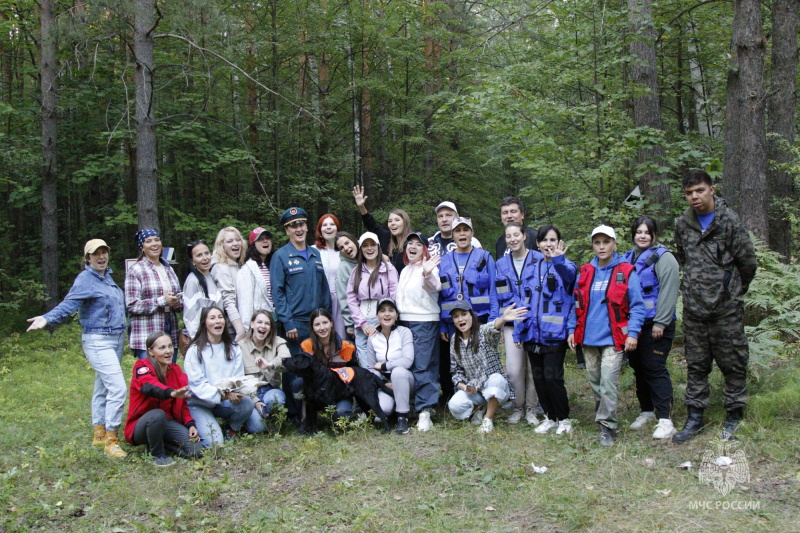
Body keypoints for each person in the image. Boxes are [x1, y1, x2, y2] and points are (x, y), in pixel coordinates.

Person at [672, 169, 757, 443]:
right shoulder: (683, 224)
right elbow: (684, 258)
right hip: (695, 309)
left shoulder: (728, 221)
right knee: (696, 365)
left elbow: (748, 262)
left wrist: (733, 291)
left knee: (733, 362)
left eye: (699, 190)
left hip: (726, 310)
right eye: (689, 193)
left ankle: (734, 415)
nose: (694, 197)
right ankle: (695, 416)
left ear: (712, 189)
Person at [26, 239, 128, 458]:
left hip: (116, 340)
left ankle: (99, 434)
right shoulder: (85, 280)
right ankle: (111, 440)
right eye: (95, 254)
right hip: (98, 340)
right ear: (87, 259)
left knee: (103, 386)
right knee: (118, 388)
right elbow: (68, 304)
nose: (101, 257)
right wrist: (47, 318)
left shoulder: (107, 278)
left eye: (104, 252)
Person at [568, 225, 646, 446]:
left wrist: (633, 332)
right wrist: (571, 330)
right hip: (588, 337)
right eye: (597, 242)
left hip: (614, 337)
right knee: (595, 381)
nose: (601, 247)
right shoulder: (585, 271)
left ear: (614, 244)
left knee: (608, 382)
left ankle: (607, 426)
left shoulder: (626, 270)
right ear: (592, 245)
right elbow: (575, 304)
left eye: (606, 242)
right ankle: (602, 415)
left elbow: (638, 306)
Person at [270, 207, 332, 422]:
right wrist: (287, 322)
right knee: (294, 368)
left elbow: (323, 286)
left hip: (316, 322)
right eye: (293, 226)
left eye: (301, 224)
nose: (298, 229)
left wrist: (327, 317)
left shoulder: (315, 254)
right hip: (295, 323)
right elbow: (277, 292)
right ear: (287, 231)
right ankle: (294, 413)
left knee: (314, 366)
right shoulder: (280, 256)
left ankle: (314, 410)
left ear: (307, 227)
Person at [622, 216, 680, 440]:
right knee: (639, 367)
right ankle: (647, 410)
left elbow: (668, 291)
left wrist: (661, 322)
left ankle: (665, 418)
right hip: (635, 324)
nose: (642, 236)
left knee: (654, 367)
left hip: (657, 324)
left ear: (654, 234)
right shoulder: (628, 258)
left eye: (647, 232)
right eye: (639, 232)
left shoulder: (664, 259)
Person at [515, 225, 576, 435]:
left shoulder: (566, 266)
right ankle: (550, 416)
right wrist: (517, 330)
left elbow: (569, 280)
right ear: (538, 244)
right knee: (539, 378)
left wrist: (559, 260)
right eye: (544, 240)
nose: (548, 244)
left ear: (559, 242)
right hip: (532, 333)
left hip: (555, 334)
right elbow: (522, 300)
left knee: (553, 378)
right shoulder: (532, 268)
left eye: (553, 240)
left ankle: (564, 418)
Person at [437, 216, 496, 405]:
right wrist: (442, 326)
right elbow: (439, 296)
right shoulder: (444, 261)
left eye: (466, 230)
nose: (462, 234)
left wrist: (494, 321)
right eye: (458, 231)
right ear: (452, 235)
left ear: (472, 233)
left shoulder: (484, 257)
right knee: (459, 362)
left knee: (481, 360)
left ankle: (486, 398)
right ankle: (462, 400)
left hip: (481, 319)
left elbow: (494, 290)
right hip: (454, 322)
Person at [184, 306, 259, 447]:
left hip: (223, 400)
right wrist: (222, 395)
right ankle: (196, 425)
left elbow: (237, 378)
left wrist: (232, 392)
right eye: (212, 318)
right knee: (215, 443)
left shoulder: (233, 347)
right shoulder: (195, 350)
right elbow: (197, 384)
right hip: (199, 403)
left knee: (250, 411)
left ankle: (231, 428)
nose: (217, 321)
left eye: (220, 317)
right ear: (204, 323)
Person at [447, 301, 527, 434]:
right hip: (476, 390)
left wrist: (503, 319)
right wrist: (464, 387)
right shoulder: (455, 339)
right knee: (455, 405)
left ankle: (487, 420)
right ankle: (480, 408)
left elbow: (493, 327)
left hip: (496, 386)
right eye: (456, 316)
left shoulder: (483, 332)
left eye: (464, 314)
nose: (460, 319)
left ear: (471, 315)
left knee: (496, 379)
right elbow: (456, 371)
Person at [124, 331, 203, 466]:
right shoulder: (141, 367)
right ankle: (157, 455)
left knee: (196, 451)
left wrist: (190, 424)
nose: (168, 351)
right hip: (142, 424)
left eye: (170, 346)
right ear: (151, 351)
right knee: (157, 415)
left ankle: (162, 443)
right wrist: (171, 393)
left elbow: (182, 404)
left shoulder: (176, 370)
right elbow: (149, 386)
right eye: (162, 348)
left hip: (167, 422)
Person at [494, 222, 543, 425]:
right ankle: (517, 407)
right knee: (514, 370)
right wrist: (498, 320)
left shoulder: (539, 259)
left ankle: (531, 408)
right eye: (508, 236)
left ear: (524, 236)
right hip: (511, 324)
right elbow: (494, 295)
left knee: (532, 368)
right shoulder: (500, 264)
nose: (513, 239)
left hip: (534, 324)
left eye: (516, 235)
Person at [397, 231, 441, 432]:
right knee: (408, 365)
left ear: (425, 249)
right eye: (409, 243)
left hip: (424, 322)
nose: (412, 246)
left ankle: (426, 411)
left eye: (417, 244)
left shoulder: (430, 268)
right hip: (404, 321)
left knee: (424, 366)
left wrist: (427, 272)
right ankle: (414, 405)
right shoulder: (405, 270)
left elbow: (433, 287)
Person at [125, 229, 183, 360]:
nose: (154, 244)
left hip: (170, 329)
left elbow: (178, 302)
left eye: (157, 240)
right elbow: (132, 305)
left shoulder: (169, 269)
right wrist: (162, 301)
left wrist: (177, 302)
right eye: (148, 241)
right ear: (142, 248)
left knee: (168, 375)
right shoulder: (136, 270)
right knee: (151, 376)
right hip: (148, 332)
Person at [361, 298, 415, 434]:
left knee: (398, 372)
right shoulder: (372, 337)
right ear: (377, 315)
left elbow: (407, 360)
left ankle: (403, 418)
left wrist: (385, 366)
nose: (387, 314)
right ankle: (392, 408)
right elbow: (371, 368)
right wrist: (383, 383)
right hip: (384, 384)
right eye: (382, 311)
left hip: (405, 379)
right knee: (384, 409)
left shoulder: (404, 332)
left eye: (391, 310)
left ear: (396, 315)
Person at [294, 308, 358, 421]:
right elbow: (300, 373)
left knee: (342, 414)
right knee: (297, 383)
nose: (322, 328)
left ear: (331, 323)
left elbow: (354, 373)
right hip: (315, 391)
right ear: (312, 327)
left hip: (339, 392)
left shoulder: (347, 347)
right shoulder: (306, 346)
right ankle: (304, 418)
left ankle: (343, 409)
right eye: (317, 324)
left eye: (325, 323)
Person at [346, 231, 399, 359]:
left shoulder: (388, 269)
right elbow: (351, 298)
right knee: (363, 352)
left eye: (372, 244)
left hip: (382, 317)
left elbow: (394, 296)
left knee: (382, 353)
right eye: (365, 245)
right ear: (361, 249)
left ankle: (383, 378)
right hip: (361, 319)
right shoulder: (356, 271)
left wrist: (383, 322)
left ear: (378, 247)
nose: (369, 248)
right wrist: (362, 323)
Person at [239, 310, 289, 420]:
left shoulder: (277, 341)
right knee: (257, 427)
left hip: (271, 390)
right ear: (252, 324)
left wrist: (270, 364)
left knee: (275, 399)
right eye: (259, 322)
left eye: (267, 323)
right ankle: (259, 414)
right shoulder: (240, 347)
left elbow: (286, 359)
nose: (263, 326)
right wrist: (255, 401)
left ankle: (270, 418)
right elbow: (239, 380)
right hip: (250, 394)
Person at [352, 185, 412, 273]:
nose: (393, 223)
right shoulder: (386, 237)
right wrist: (361, 206)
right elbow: (371, 224)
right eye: (390, 221)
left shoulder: (412, 242)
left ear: (405, 222)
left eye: (397, 220)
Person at [313, 215, 347, 339]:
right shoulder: (314, 251)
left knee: (340, 337)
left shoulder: (345, 251)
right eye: (325, 225)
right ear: (320, 230)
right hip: (321, 299)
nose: (328, 228)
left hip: (341, 300)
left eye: (332, 224)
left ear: (337, 228)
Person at [236, 227, 275, 332]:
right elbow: (245, 305)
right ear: (253, 244)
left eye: (267, 238)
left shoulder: (273, 265)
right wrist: (249, 330)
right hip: (259, 326)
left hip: (275, 321)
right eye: (260, 239)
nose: (265, 241)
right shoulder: (247, 270)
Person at [211, 226, 246, 340]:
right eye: (230, 241)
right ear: (222, 246)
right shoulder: (221, 268)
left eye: (237, 239)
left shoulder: (238, 266)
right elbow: (228, 302)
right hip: (231, 331)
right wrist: (240, 330)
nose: (235, 244)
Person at [183, 239, 222, 339]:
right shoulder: (193, 281)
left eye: (206, 253)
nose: (205, 258)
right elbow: (190, 317)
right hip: (202, 339)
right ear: (193, 261)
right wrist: (199, 342)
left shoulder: (210, 276)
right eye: (199, 255)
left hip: (214, 337)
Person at [334, 231, 359, 340]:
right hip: (356, 321)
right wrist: (349, 324)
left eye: (347, 243)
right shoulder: (343, 268)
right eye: (341, 247)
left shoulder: (368, 258)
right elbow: (343, 298)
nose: (346, 248)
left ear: (353, 240)